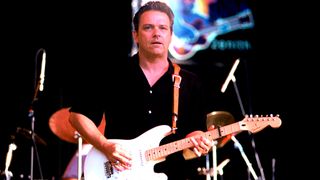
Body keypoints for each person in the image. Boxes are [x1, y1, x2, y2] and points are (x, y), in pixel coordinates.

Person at [69, 1, 214, 180]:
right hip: (118, 173)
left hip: (174, 174)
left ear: (170, 35)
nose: (156, 34)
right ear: (135, 35)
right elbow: (77, 116)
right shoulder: (112, 74)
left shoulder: (191, 82)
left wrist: (199, 140)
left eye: (163, 28)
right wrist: (105, 146)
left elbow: (196, 129)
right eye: (148, 27)